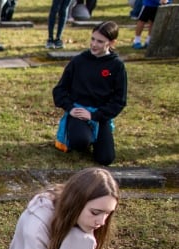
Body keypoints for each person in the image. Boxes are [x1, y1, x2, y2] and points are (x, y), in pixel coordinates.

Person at [53, 21, 127, 166]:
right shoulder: (79, 61)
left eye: (100, 41)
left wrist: (95, 116)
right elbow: (60, 89)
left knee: (105, 159)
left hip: (100, 114)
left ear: (111, 43)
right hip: (79, 110)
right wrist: (71, 108)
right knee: (80, 142)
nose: (94, 44)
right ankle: (78, 133)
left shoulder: (117, 66)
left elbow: (119, 100)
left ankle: (95, 135)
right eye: (92, 39)